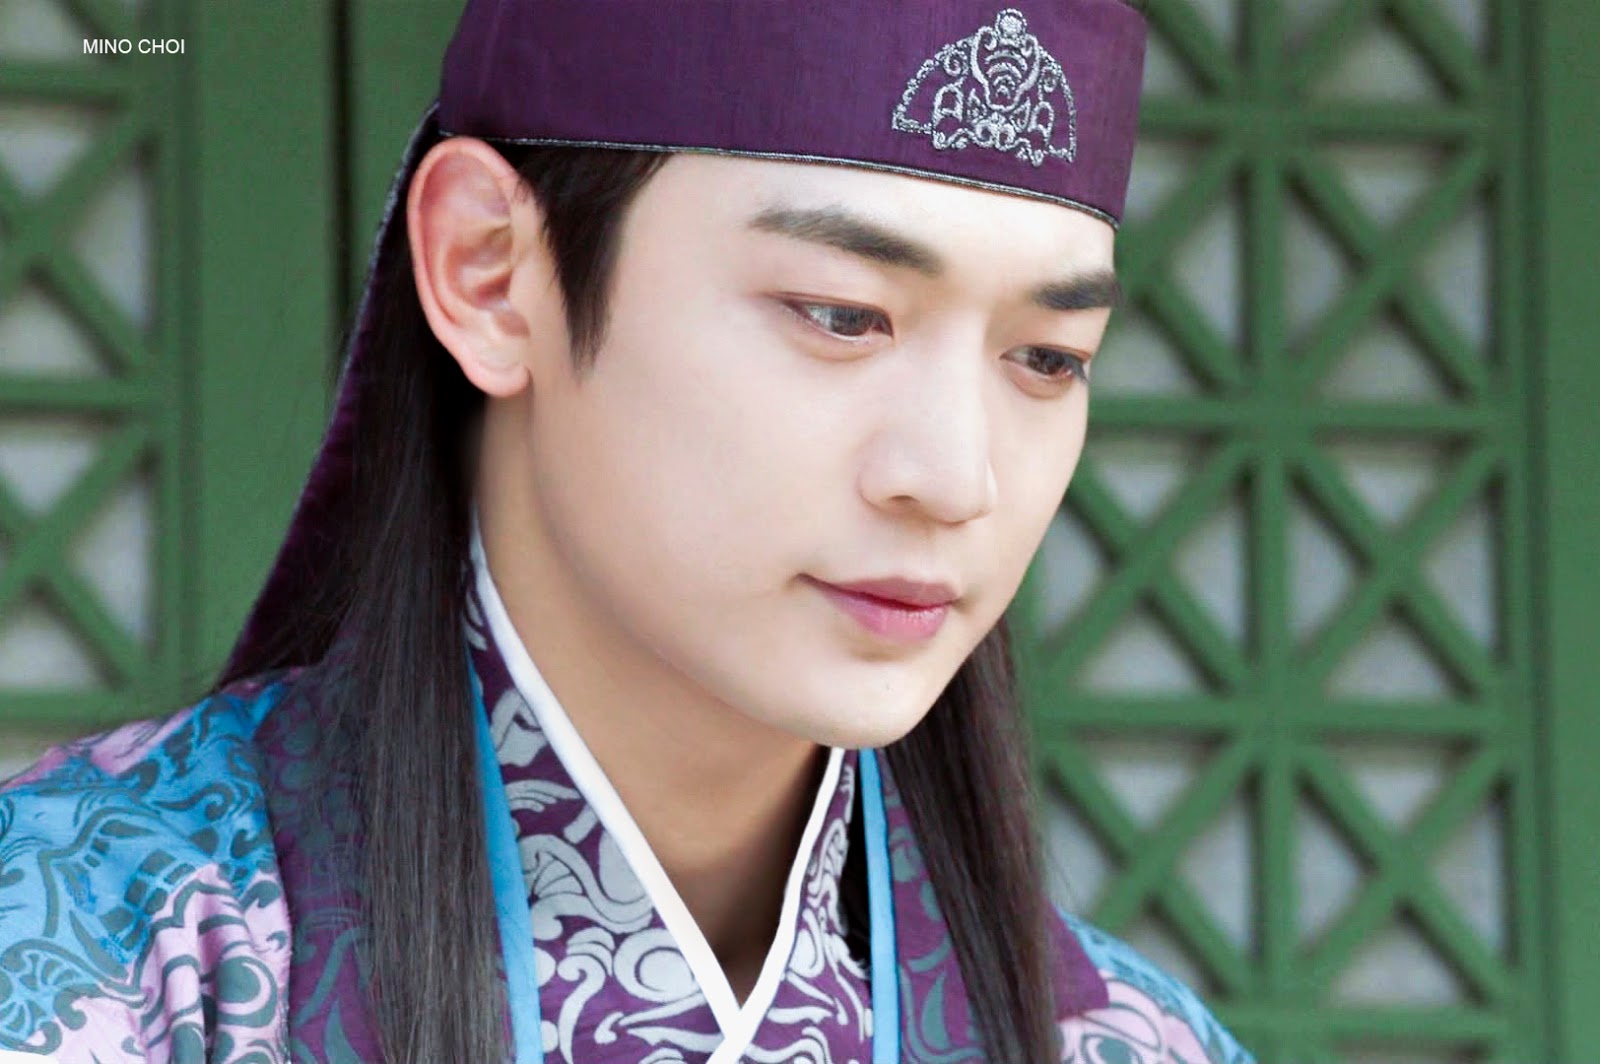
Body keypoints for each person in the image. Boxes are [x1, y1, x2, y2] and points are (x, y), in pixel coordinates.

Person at [0, 1, 1255, 1061]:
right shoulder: (88, 956)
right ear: (492, 271)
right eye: (840, 314)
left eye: (1047, 356)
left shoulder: (1132, 1041)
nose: (956, 477)